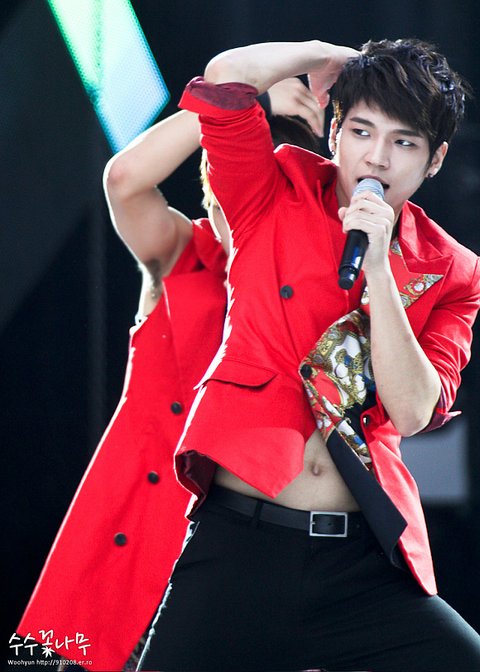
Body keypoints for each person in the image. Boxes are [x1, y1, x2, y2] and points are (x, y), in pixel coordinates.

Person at [138, 39, 480, 672]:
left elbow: (412, 412)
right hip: (242, 543)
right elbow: (226, 76)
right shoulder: (271, 189)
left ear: (435, 160)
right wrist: (328, 57)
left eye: (404, 142)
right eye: (361, 131)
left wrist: (379, 269)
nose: (377, 157)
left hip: (362, 566)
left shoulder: (451, 270)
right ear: (334, 132)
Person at [15, 79, 322, 671]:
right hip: (122, 541)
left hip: (226, 561)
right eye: (234, 187)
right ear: (213, 190)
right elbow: (124, 180)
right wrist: (245, 101)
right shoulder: (183, 254)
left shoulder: (315, 299)